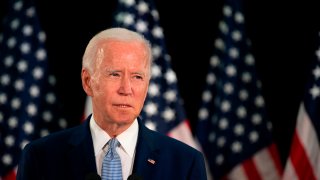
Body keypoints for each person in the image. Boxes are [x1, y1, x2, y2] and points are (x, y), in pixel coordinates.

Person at [16, 27, 207, 180]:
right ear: (88, 82)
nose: (126, 88)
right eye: (114, 74)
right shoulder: (40, 157)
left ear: (147, 86)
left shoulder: (185, 162)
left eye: (137, 77)